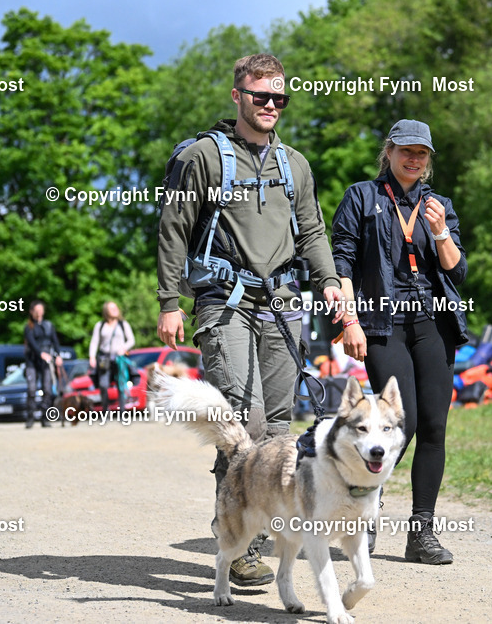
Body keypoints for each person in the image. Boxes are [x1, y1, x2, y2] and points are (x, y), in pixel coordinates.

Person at [157, 53, 344, 586]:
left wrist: (329, 281)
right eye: (261, 95)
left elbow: (312, 231)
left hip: (283, 301)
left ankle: (260, 536)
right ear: (238, 95)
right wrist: (168, 301)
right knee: (243, 421)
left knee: (280, 428)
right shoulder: (203, 157)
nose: (271, 105)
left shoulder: (295, 164)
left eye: (279, 98)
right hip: (225, 298)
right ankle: (235, 539)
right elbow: (173, 227)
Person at [332, 119, 468, 564]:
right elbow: (342, 261)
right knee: (399, 423)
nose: (414, 159)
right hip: (382, 324)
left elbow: (457, 271)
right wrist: (349, 319)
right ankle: (364, 509)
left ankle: (421, 533)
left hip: (434, 322)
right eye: (406, 150)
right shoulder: (361, 197)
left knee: (433, 427)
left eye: (421, 153)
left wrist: (441, 230)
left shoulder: (439, 205)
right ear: (388, 152)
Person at [24, 300, 64, 428]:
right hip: (32, 361)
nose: (39, 313)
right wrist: (40, 353)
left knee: (47, 389)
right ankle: (30, 417)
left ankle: (45, 417)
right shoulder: (28, 327)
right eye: (36, 310)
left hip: (46, 362)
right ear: (31, 312)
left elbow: (55, 341)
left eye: (40, 310)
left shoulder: (49, 325)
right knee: (31, 389)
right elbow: (32, 343)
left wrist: (58, 355)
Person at [88, 301, 135, 411]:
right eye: (111, 308)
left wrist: (123, 348)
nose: (115, 309)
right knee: (103, 384)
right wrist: (92, 356)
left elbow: (131, 340)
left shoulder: (123, 324)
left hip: (119, 359)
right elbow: (94, 342)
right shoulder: (100, 325)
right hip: (104, 358)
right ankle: (105, 410)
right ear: (106, 311)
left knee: (121, 384)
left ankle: (122, 411)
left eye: (116, 307)